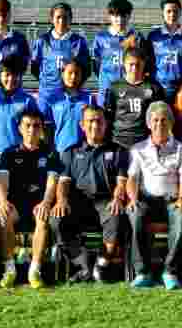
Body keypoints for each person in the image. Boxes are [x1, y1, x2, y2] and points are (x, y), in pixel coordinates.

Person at [52, 105, 131, 283]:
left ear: (106, 124)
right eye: (90, 121)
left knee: (117, 215)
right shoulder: (70, 152)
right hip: (78, 203)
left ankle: (100, 265)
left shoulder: (119, 151)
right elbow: (63, 182)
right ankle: (83, 264)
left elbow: (121, 182)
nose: (95, 125)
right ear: (82, 125)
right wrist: (62, 200)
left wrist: (118, 198)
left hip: (105, 202)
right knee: (56, 219)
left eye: (99, 121)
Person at [125, 102, 182, 290]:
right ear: (148, 123)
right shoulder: (138, 149)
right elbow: (132, 178)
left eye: (164, 120)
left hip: (172, 200)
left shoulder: (181, 148)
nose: (159, 124)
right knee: (134, 214)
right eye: (155, 120)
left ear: (170, 123)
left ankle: (169, 271)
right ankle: (142, 272)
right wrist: (132, 199)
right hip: (146, 199)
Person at [0, 109, 57, 289]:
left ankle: (35, 270)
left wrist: (46, 203)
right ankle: (10, 269)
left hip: (38, 203)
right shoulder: (9, 153)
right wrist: (3, 201)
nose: (32, 130)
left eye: (36, 126)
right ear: (20, 129)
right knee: (4, 216)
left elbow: (52, 184)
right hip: (15, 204)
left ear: (42, 129)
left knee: (43, 219)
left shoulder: (50, 153)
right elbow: (2, 183)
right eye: (27, 126)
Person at [104, 47, 166, 150]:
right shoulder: (114, 87)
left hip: (145, 142)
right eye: (131, 64)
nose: (134, 68)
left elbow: (160, 117)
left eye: (138, 65)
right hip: (119, 141)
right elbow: (108, 116)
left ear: (144, 64)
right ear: (124, 64)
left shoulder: (154, 87)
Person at [0, 55, 40, 156]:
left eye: (15, 75)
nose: (11, 79)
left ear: (20, 76)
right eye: (7, 75)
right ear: (0, 75)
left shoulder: (28, 101)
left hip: (19, 156)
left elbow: (36, 130)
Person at [91, 0, 147, 105]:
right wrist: (106, 78)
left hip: (129, 88)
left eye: (123, 16)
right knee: (105, 119)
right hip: (107, 88)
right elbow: (96, 64)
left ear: (129, 16)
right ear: (110, 16)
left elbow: (142, 64)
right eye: (116, 16)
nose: (120, 20)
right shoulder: (101, 37)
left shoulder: (137, 37)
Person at [30, 2, 91, 95]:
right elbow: (35, 67)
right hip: (47, 94)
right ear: (52, 19)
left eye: (65, 18)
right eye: (58, 17)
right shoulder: (42, 40)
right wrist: (48, 82)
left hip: (69, 93)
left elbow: (86, 70)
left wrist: (73, 85)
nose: (61, 21)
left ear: (71, 19)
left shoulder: (79, 41)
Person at [147, 0, 182, 100]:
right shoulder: (153, 36)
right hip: (159, 88)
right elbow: (148, 63)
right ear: (162, 13)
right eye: (168, 11)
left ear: (180, 13)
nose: (172, 14)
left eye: (175, 11)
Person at [39, 61, 92, 153]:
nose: (73, 77)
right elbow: (47, 130)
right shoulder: (53, 99)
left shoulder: (89, 99)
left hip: (83, 153)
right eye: (70, 73)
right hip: (60, 152)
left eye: (77, 73)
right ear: (63, 74)